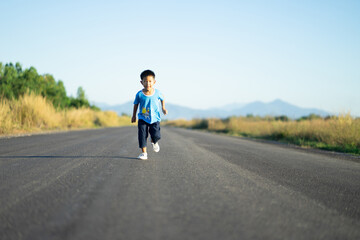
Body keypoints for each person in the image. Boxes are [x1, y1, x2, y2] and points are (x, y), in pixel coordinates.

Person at [131, 70, 168, 160]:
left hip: (155, 118)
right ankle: (144, 153)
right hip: (142, 118)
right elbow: (136, 104)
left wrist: (163, 108)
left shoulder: (157, 93)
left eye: (150, 81)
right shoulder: (139, 94)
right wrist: (134, 116)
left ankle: (154, 141)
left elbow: (162, 99)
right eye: (145, 81)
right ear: (141, 82)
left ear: (154, 82)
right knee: (142, 134)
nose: (148, 83)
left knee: (156, 135)